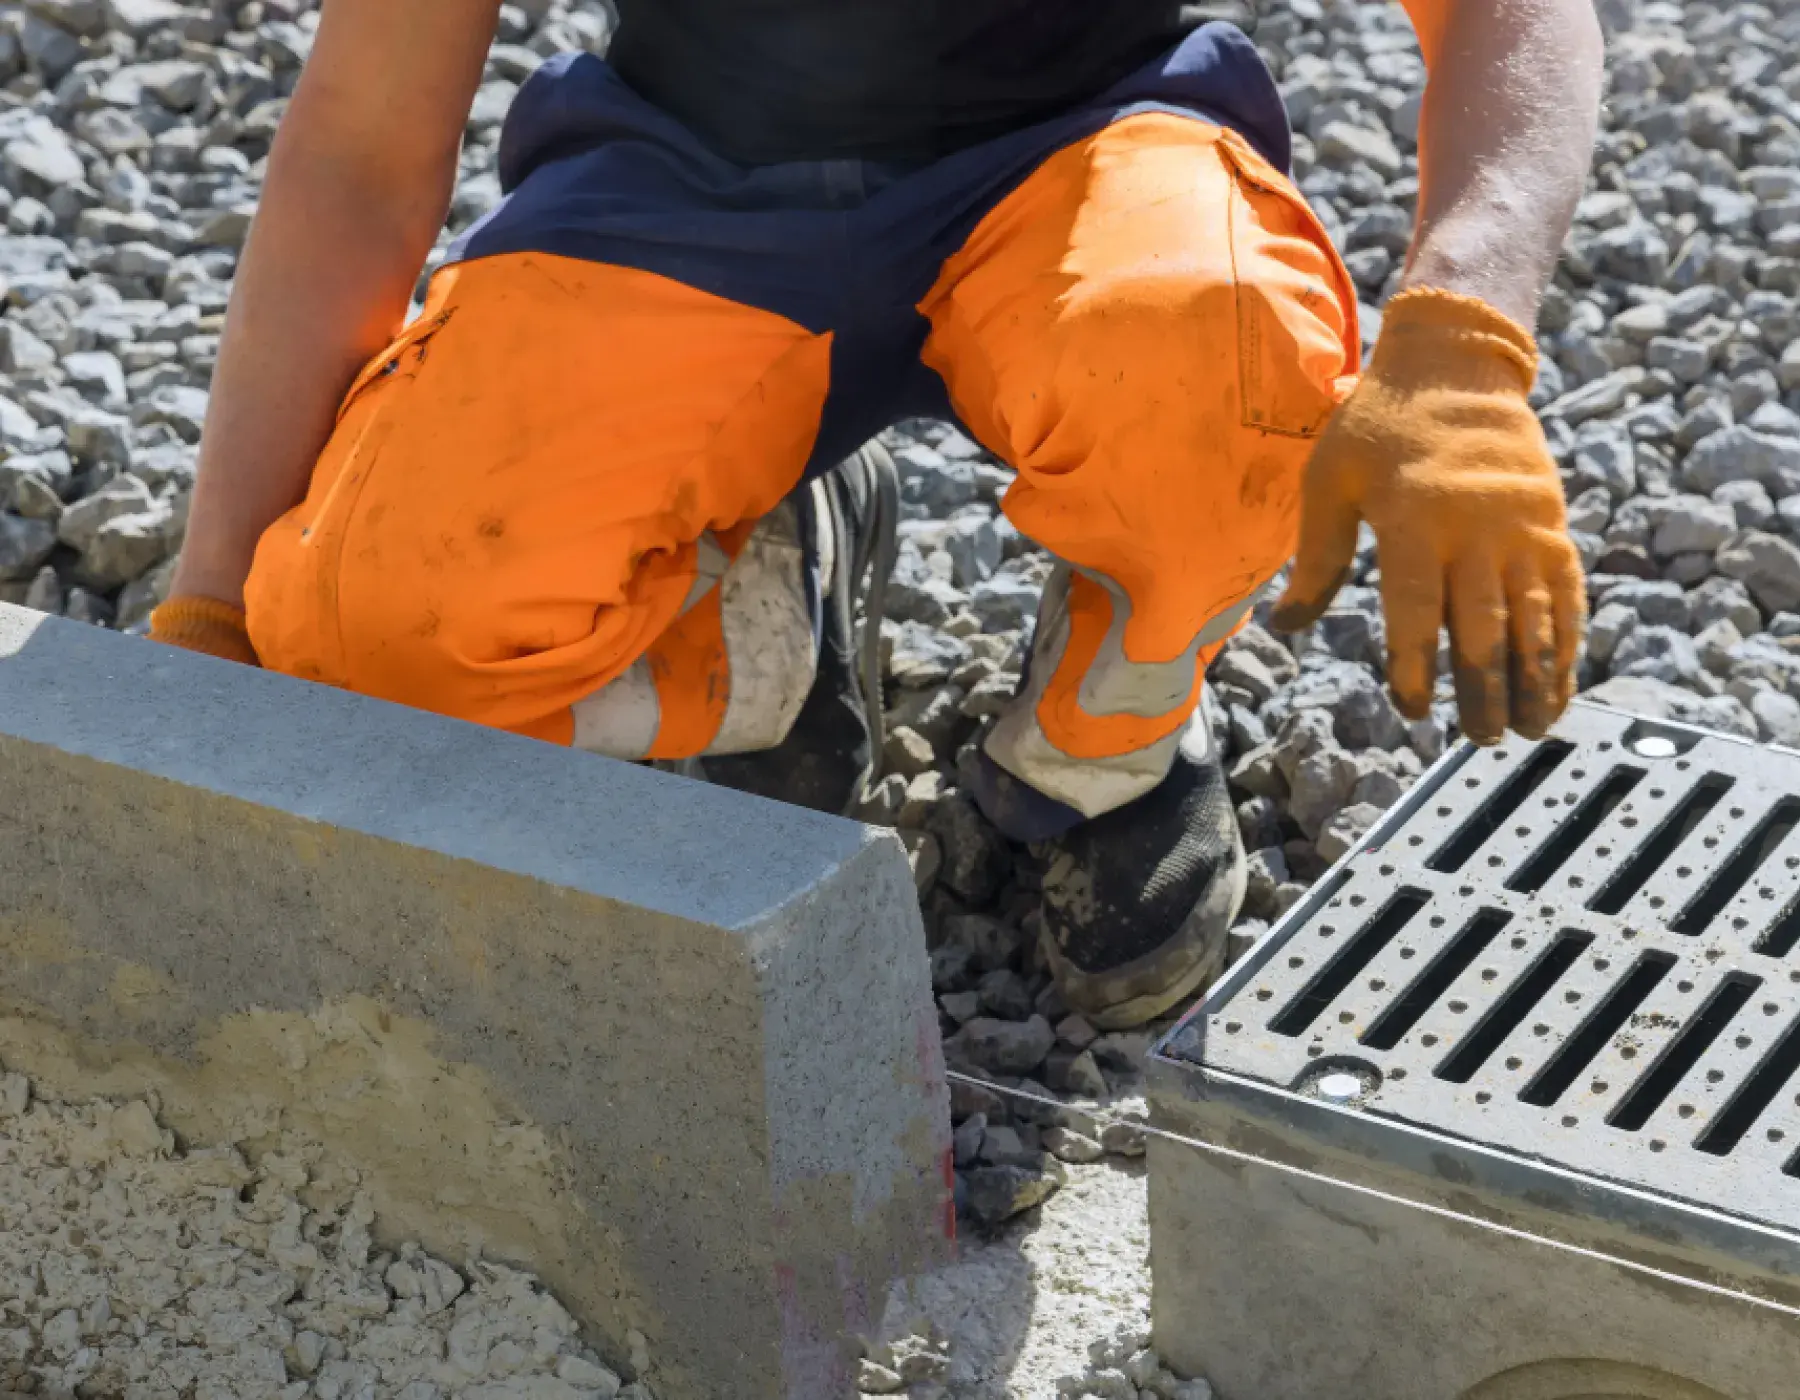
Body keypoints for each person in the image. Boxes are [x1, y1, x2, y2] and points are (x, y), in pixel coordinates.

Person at [148, 0, 1604, 1029]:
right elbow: (362, 137)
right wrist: (217, 605)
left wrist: (1462, 342)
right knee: (364, 633)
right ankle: (762, 634)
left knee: (1225, 379)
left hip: (1085, 151)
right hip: (686, 181)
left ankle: (1111, 733)